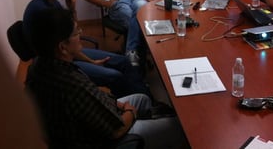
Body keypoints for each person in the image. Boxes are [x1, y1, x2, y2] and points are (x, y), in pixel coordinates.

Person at [26, 8, 187, 149]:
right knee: (179, 127)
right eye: (76, 33)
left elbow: (93, 100)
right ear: (62, 47)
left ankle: (154, 124)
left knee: (142, 98)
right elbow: (116, 131)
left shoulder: (39, 67)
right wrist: (130, 111)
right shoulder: (71, 84)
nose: (81, 34)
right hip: (106, 140)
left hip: (84, 127)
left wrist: (116, 103)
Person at [23, 0, 150, 98]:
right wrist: (91, 62)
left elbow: (72, 32)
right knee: (115, 76)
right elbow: (66, 47)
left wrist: (72, 8)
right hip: (59, 64)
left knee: (125, 62)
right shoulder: (42, 11)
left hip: (68, 52)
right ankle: (133, 105)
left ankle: (142, 95)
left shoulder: (51, 2)